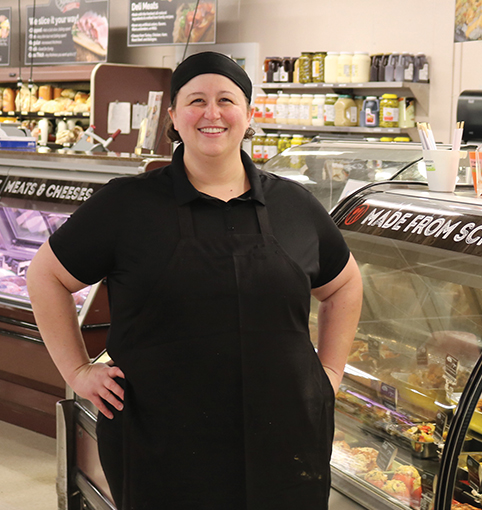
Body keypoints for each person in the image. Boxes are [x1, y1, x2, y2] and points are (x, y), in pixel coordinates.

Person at [26, 51, 362, 510]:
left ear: (247, 115)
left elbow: (343, 285)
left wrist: (329, 373)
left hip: (285, 444)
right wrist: (77, 371)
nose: (212, 113)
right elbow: (46, 275)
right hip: (160, 448)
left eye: (226, 100)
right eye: (196, 100)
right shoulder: (127, 204)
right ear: (173, 116)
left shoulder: (294, 206)